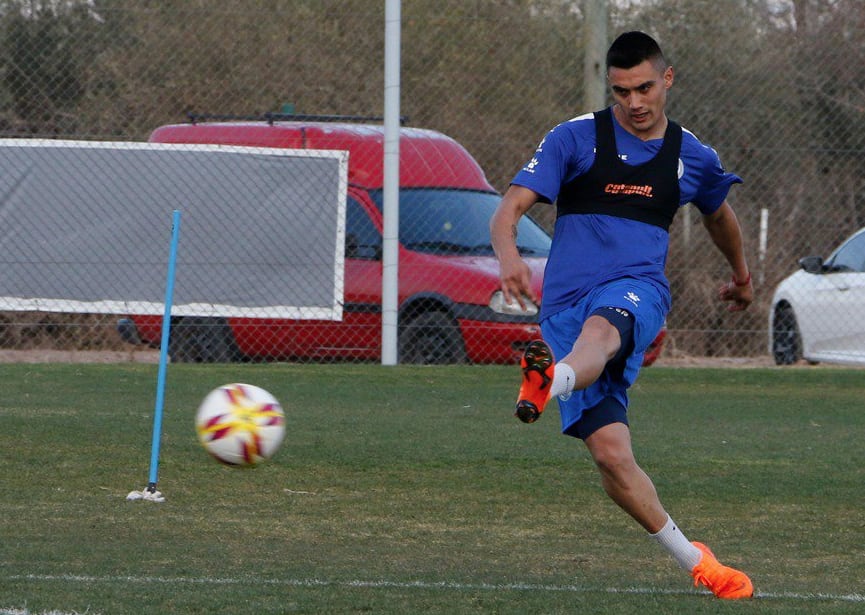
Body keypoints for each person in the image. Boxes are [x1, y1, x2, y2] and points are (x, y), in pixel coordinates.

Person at [490, 31, 754, 600]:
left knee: (604, 329)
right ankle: (697, 561)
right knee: (612, 458)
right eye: (621, 91)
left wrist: (742, 277)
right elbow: (510, 206)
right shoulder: (574, 139)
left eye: (644, 87)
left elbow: (719, 216)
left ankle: (550, 379)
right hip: (562, 305)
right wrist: (510, 258)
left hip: (636, 291)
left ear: (667, 79)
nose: (635, 102)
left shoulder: (692, 155)